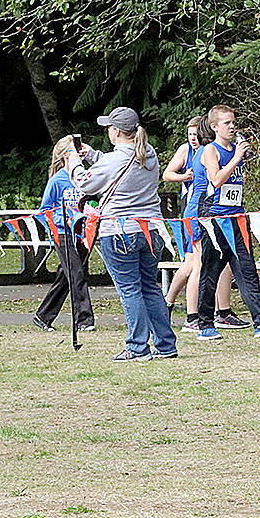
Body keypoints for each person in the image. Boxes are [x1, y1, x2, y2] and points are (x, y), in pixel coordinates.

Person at [66, 107, 177, 362]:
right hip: (151, 230)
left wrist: (74, 161)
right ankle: (165, 344)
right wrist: (93, 155)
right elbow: (118, 164)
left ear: (116, 131)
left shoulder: (114, 160)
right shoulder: (149, 154)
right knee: (150, 287)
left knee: (129, 289)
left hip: (118, 231)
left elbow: (85, 183)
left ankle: (138, 346)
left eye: (109, 128)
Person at [194, 105, 260, 341]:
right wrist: (236, 159)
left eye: (233, 122)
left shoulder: (236, 150)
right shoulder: (209, 150)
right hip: (215, 219)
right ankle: (204, 323)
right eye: (226, 123)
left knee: (247, 269)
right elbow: (215, 180)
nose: (232, 126)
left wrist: (239, 163)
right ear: (215, 127)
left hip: (237, 217)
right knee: (210, 272)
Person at [162, 116, 231, 333]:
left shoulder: (211, 150)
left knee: (201, 261)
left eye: (195, 134)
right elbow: (167, 175)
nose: (193, 138)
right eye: (190, 134)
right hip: (195, 210)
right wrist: (184, 176)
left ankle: (219, 311)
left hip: (209, 210)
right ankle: (192, 314)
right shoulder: (199, 151)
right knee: (198, 262)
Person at [32, 137, 95, 333]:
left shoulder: (84, 176)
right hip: (62, 233)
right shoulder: (57, 180)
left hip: (83, 233)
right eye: (73, 149)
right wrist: (61, 221)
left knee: (65, 277)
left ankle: (43, 316)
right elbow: (44, 210)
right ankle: (84, 320)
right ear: (66, 155)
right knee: (77, 275)